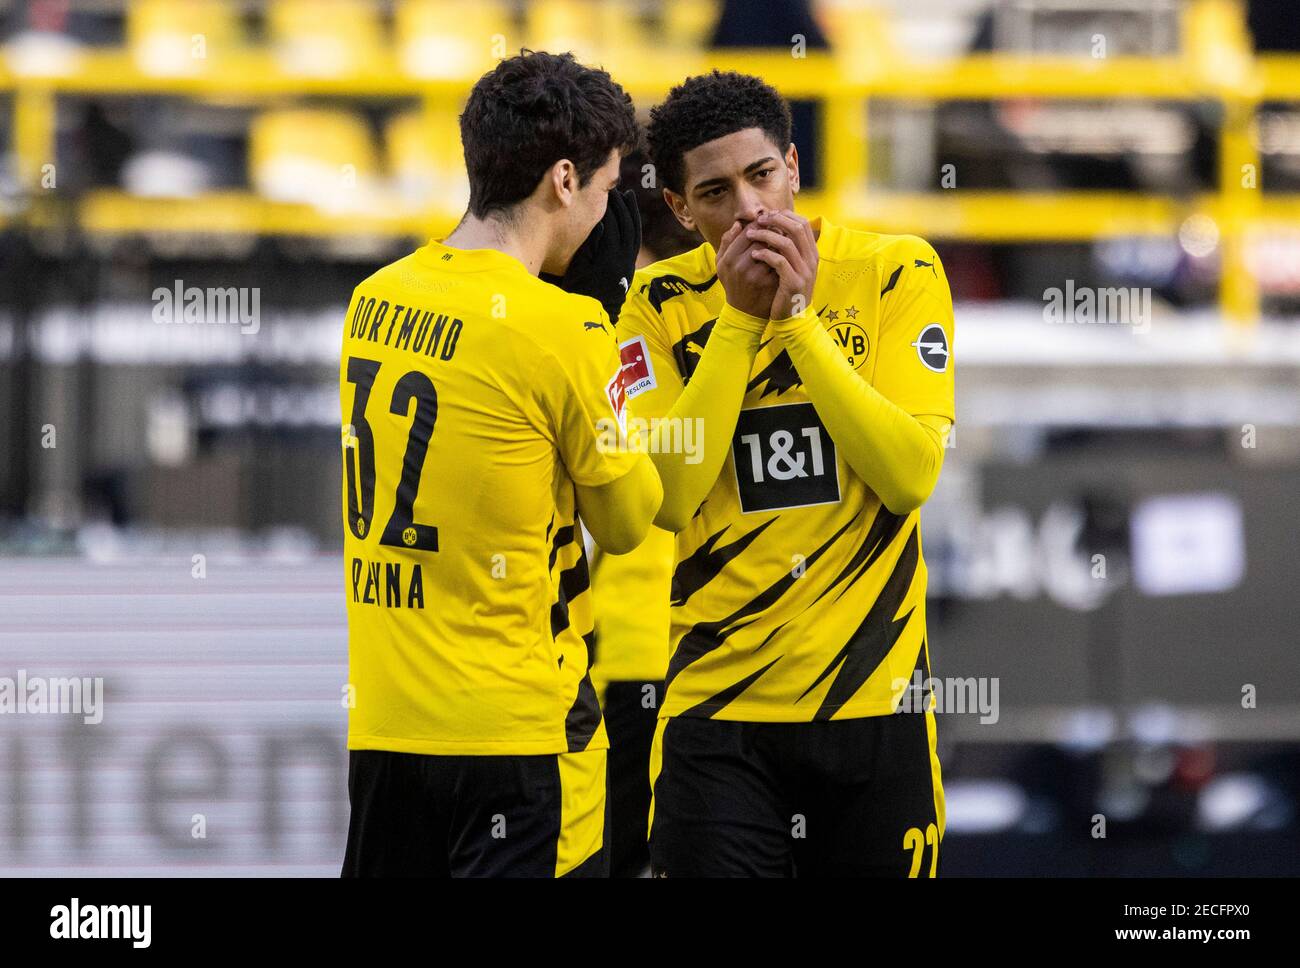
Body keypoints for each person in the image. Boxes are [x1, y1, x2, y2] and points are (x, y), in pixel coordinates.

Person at [617, 70, 955, 876]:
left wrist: (799, 325)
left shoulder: (894, 273)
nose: (748, 210)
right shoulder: (655, 307)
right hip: (719, 722)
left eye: (761, 175)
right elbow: (670, 499)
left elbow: (910, 477)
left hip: (876, 709)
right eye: (715, 191)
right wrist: (738, 322)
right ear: (680, 209)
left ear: (795, 165)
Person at [339, 50, 661, 878]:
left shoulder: (374, 298)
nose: (607, 216)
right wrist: (602, 320)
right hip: (517, 739)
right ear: (562, 179)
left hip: (387, 730)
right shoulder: (564, 328)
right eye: (604, 191)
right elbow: (627, 522)